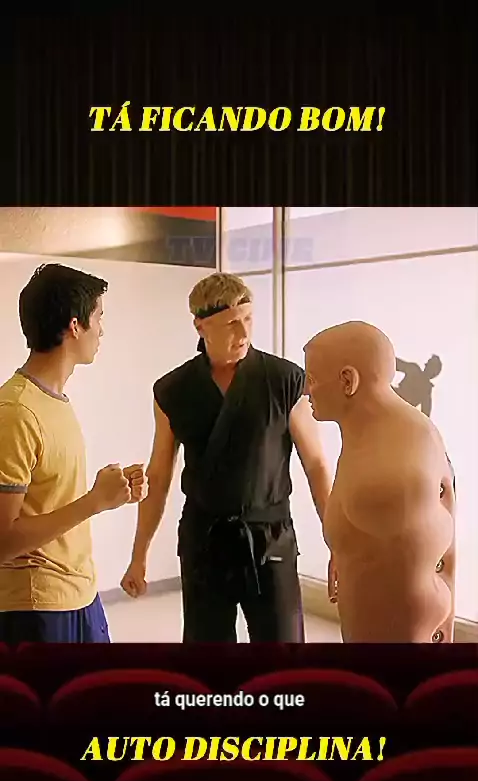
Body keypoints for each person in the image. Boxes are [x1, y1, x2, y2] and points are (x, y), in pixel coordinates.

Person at [121, 272, 332, 642]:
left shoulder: (284, 379)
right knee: (208, 655)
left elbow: (316, 464)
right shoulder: (173, 389)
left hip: (270, 540)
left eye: (248, 318)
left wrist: (337, 547)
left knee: (283, 652)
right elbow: (159, 475)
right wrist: (139, 555)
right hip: (204, 541)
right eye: (231, 323)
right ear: (200, 326)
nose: (244, 332)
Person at [0, 264, 148, 644]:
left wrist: (112, 493)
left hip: (81, 596)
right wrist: (95, 501)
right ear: (75, 326)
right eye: (98, 317)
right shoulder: (16, 412)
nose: (102, 330)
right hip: (36, 609)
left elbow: (52, 498)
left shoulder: (53, 401)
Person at [304, 320, 456, 643]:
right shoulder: (366, 432)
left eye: (313, 380)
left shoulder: (398, 457)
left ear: (348, 381)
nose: (306, 390)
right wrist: (341, 549)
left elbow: (412, 554)